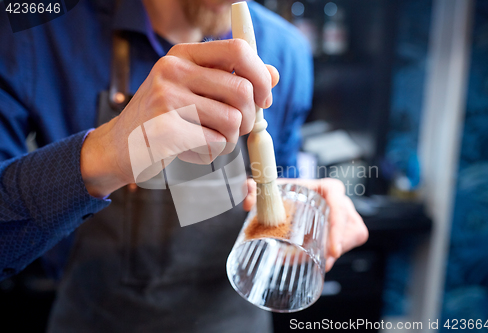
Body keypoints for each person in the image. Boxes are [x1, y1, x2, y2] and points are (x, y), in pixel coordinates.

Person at [0, 0, 368, 331]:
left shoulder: (286, 50)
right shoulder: (34, 31)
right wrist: (107, 152)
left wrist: (298, 218)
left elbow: (272, 186)